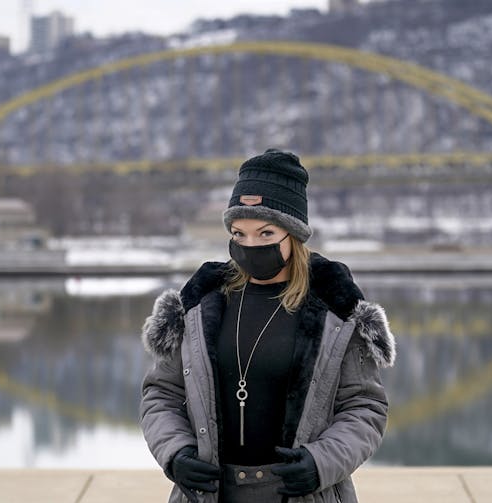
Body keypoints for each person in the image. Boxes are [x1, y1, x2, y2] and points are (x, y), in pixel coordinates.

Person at [140, 149, 395, 502]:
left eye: (264, 233)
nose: (248, 245)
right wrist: (176, 453)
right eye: (238, 233)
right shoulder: (199, 304)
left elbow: (364, 407)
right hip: (210, 493)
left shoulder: (335, 309)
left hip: (304, 493)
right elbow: (161, 394)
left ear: (294, 234)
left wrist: (321, 462)